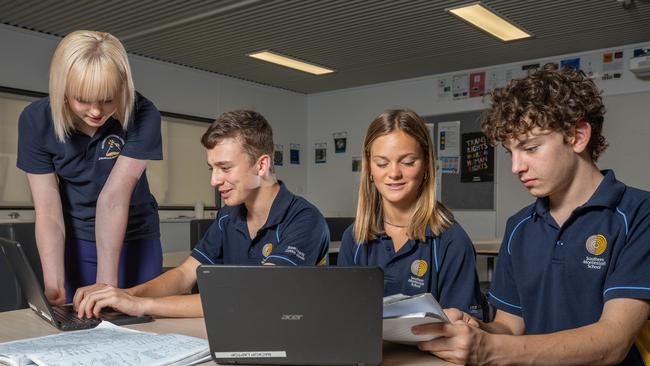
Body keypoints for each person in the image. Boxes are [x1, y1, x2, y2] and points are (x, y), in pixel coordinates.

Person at [414, 64, 650, 365]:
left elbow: (613, 341)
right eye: (511, 152)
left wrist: (490, 349)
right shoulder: (520, 226)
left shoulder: (639, 214)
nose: (516, 167)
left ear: (578, 136)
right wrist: (475, 330)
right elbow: (510, 326)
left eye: (530, 148)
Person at [72, 109, 330, 318]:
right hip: (237, 332)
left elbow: (255, 295)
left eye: (225, 168)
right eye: (212, 169)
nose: (215, 181)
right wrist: (126, 295)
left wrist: (142, 306)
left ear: (262, 164)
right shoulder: (228, 216)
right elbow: (184, 275)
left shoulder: (305, 220)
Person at [17, 30, 163, 304]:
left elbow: (113, 199)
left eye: (108, 99)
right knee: (73, 317)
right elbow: (48, 210)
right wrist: (53, 283)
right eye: (83, 99)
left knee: (137, 322)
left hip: (136, 237)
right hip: (76, 238)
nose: (96, 111)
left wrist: (106, 285)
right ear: (63, 89)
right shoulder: (35, 121)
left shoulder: (143, 113)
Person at [338, 109, 485, 321]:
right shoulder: (354, 238)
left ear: (426, 164)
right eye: (382, 163)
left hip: (430, 355)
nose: (394, 173)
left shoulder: (452, 242)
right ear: (369, 167)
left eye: (407, 162)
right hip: (366, 354)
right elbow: (343, 315)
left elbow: (462, 329)